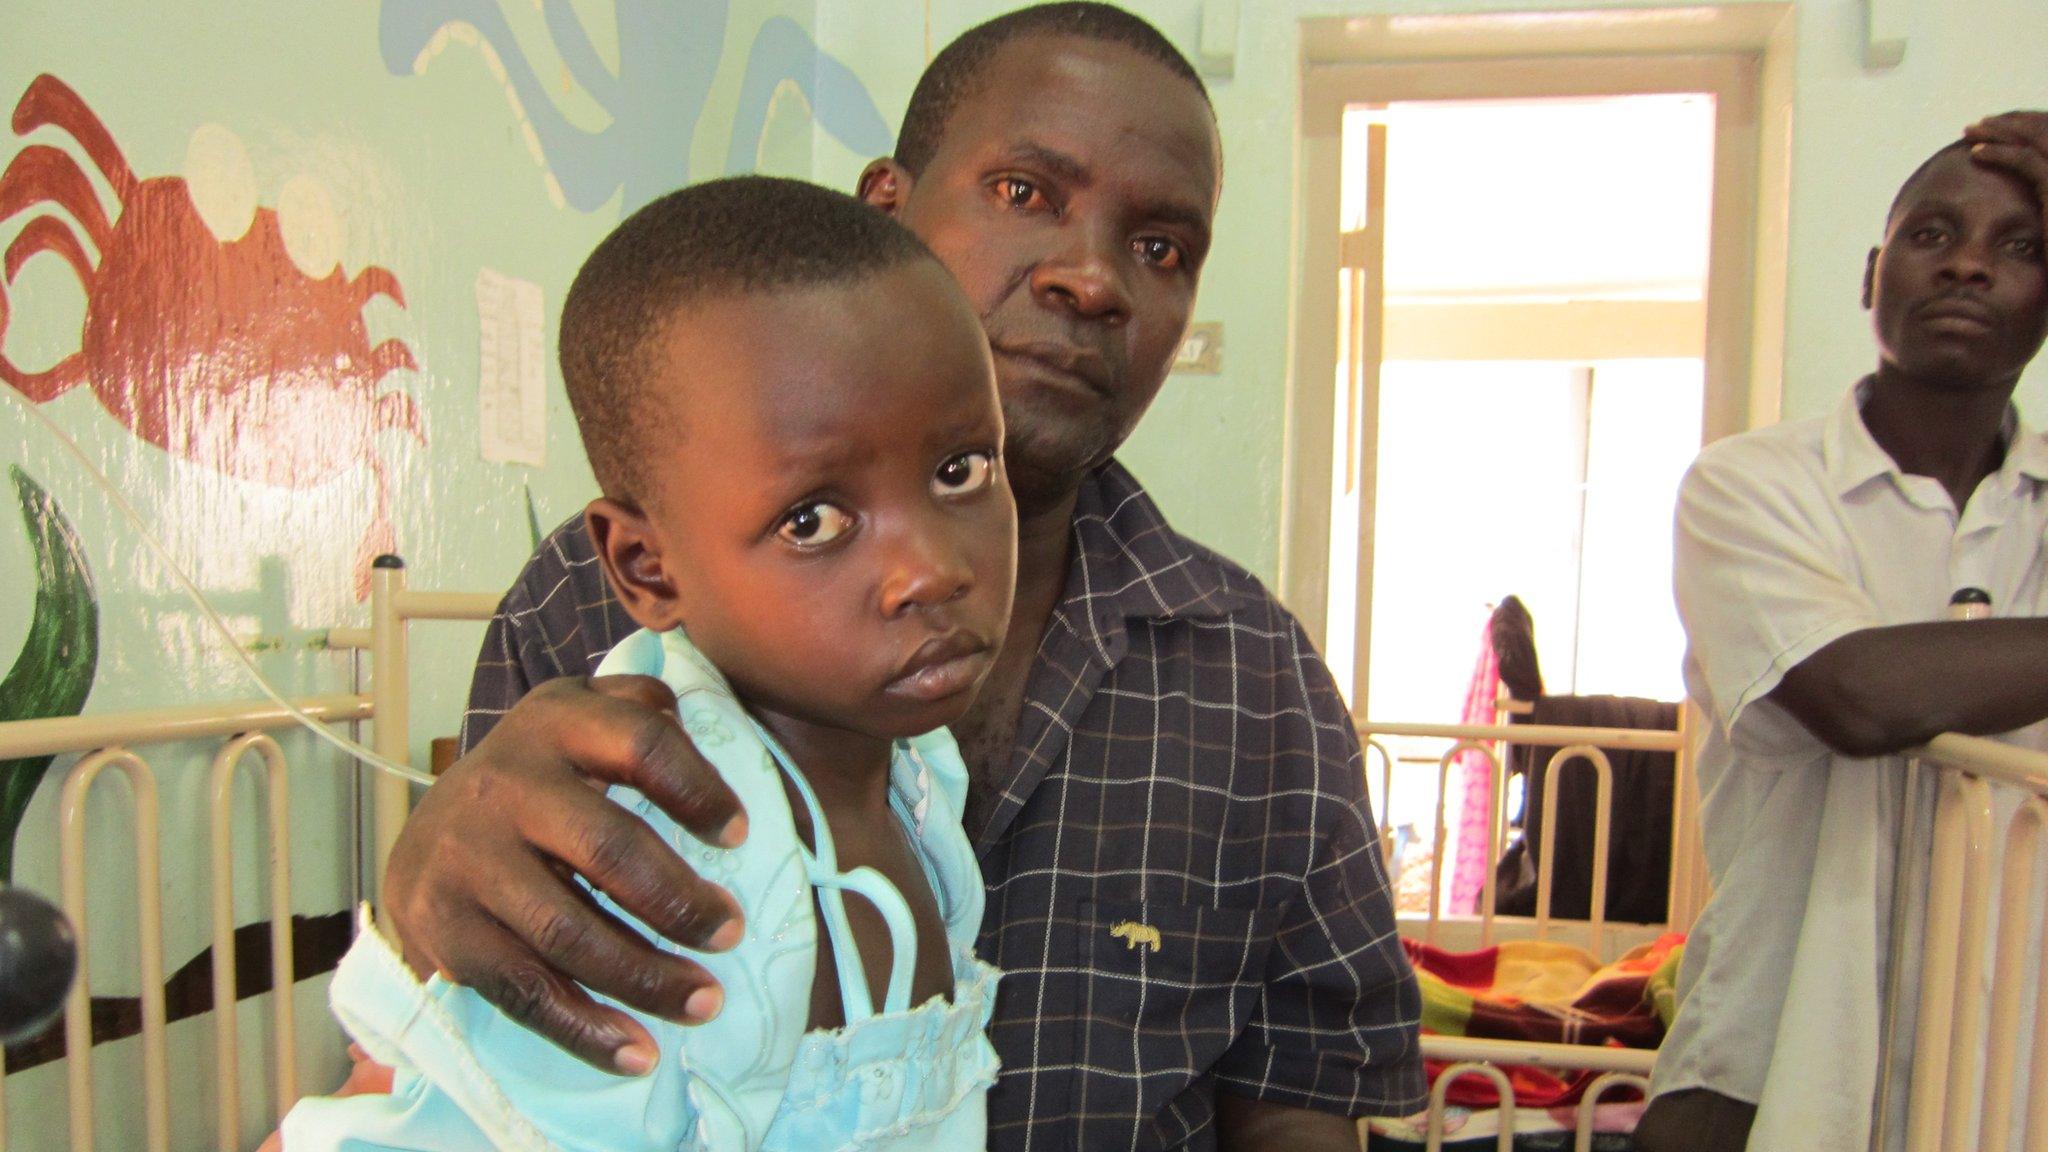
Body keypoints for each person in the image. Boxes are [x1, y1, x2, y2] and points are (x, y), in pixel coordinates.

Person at [374, 5, 1423, 1148]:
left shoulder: (1254, 683)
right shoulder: (587, 613)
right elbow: (488, 1007)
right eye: (1024, 192)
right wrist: (427, 889)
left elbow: (1296, 1107)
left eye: (1160, 247)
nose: (1091, 279)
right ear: (887, 210)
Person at [280, 176, 1016, 1150]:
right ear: (645, 565)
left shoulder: (919, 783)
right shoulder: (664, 844)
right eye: (813, 521)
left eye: (959, 470)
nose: (930, 569)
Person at [1638, 113, 2048, 1152]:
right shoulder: (1749, 484)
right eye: (1931, 233)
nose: (1964, 263)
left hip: (1999, 1076)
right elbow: (1854, 694)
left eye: (2021, 248)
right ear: (1871, 274)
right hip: (1761, 1057)